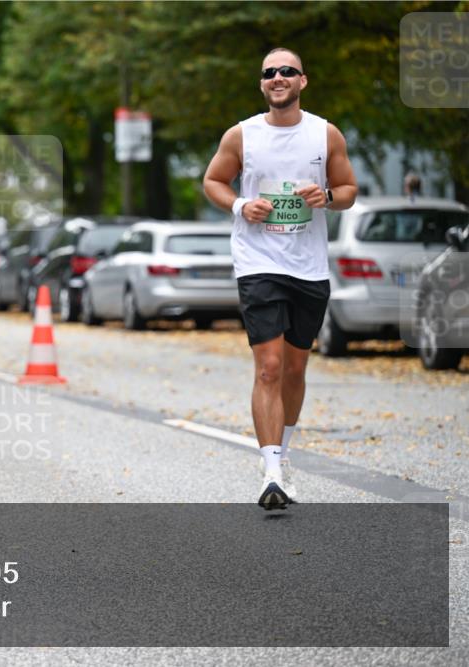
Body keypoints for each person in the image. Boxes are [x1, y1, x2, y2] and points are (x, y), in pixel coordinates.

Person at [203, 48, 357, 510]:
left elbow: (348, 191)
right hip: (257, 262)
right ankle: (271, 471)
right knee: (268, 366)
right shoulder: (242, 135)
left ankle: (282, 454)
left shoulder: (324, 133)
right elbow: (213, 180)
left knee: (294, 368)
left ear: (302, 81)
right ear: (263, 84)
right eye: (269, 73)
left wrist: (326, 196)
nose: (277, 78)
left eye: (286, 71)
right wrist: (238, 205)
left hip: (308, 266)